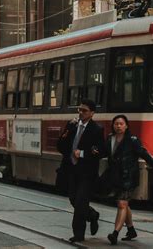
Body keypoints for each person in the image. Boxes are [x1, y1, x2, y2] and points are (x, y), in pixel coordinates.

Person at [105, 114, 153, 245]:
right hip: (115, 177)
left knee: (122, 204)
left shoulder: (132, 140)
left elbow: (144, 153)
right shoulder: (110, 139)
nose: (118, 126)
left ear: (126, 126)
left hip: (129, 177)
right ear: (113, 126)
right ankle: (131, 230)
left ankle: (115, 234)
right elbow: (104, 153)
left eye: (121, 124)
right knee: (125, 204)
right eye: (116, 124)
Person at [57, 99, 105, 243]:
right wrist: (67, 131)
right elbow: (60, 146)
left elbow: (100, 151)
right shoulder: (71, 125)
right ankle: (92, 215)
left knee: (80, 202)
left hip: (86, 173)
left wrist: (83, 153)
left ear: (92, 113)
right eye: (79, 109)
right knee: (73, 200)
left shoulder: (97, 129)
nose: (81, 113)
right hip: (71, 169)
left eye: (84, 111)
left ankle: (78, 234)